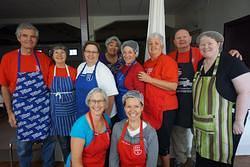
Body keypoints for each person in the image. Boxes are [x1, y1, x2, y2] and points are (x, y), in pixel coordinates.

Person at [168, 29, 243, 167]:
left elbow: (218, 58)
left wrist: (232, 54)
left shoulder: (199, 53)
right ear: (174, 42)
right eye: (178, 38)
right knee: (180, 136)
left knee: (200, 137)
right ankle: (182, 161)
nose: (182, 39)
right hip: (181, 103)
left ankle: (196, 159)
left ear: (190, 39)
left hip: (203, 106)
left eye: (185, 36)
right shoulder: (171, 57)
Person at [0, 23, 56, 167]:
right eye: (25, 36)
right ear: (19, 37)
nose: (29, 39)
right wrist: (9, 112)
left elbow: (52, 83)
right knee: (24, 147)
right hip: (22, 110)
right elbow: (4, 87)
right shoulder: (8, 58)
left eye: (33, 36)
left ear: (36, 39)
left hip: (44, 108)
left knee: (49, 142)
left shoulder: (43, 58)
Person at [193, 31, 250, 167]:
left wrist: (239, 121)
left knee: (220, 160)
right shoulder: (201, 64)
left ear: (219, 44)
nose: (205, 47)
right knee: (203, 158)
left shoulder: (232, 62)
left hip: (224, 125)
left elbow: (245, 91)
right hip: (202, 124)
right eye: (202, 44)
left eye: (209, 43)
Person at [138, 32, 178, 167]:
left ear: (161, 45)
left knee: (163, 141)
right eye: (150, 44)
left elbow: (173, 86)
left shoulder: (168, 62)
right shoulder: (147, 63)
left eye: (156, 43)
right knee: (151, 140)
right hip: (150, 108)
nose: (153, 46)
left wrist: (149, 79)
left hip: (165, 109)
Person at [109, 90, 158, 167]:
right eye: (129, 106)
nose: (132, 110)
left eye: (136, 106)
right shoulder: (117, 128)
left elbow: (152, 163)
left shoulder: (150, 132)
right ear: (124, 108)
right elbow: (113, 158)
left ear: (142, 107)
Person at [66, 88, 111, 167]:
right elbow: (76, 162)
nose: (96, 105)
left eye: (100, 101)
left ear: (105, 103)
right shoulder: (80, 126)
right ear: (88, 103)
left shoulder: (107, 120)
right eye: (93, 101)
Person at [48, 44, 77, 162]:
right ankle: (67, 163)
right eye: (56, 53)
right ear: (52, 55)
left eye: (62, 52)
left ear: (67, 55)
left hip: (72, 112)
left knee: (75, 142)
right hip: (57, 113)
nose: (60, 55)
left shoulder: (73, 71)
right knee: (64, 145)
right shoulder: (49, 71)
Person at [75, 41, 118, 120]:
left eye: (94, 52)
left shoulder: (103, 70)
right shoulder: (81, 67)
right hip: (81, 113)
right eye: (88, 51)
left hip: (98, 116)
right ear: (84, 53)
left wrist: (106, 118)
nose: (91, 54)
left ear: (98, 54)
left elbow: (111, 97)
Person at [115, 40, 145, 120]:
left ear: (135, 53)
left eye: (130, 52)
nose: (127, 55)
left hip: (130, 107)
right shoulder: (123, 67)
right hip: (120, 104)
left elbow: (140, 94)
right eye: (124, 52)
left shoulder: (138, 69)